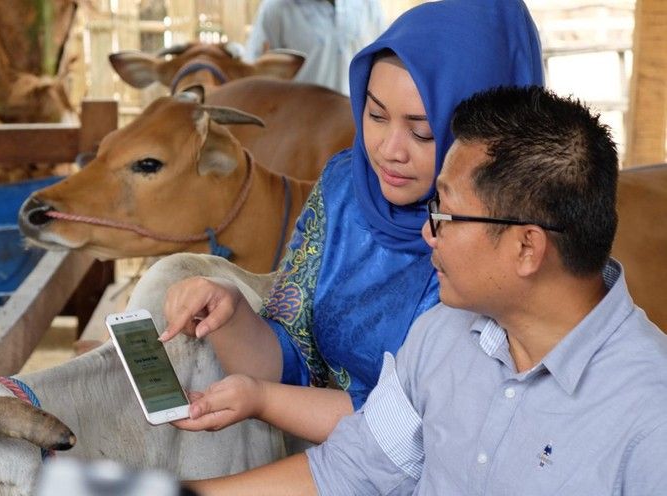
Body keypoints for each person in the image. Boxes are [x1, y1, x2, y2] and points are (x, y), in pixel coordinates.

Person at [184, 85, 667, 495]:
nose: (428, 233)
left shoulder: (650, 412)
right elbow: (350, 469)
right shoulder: (443, 335)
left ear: (527, 248)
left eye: (446, 214)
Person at [160, 0, 544, 445]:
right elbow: (290, 358)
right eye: (376, 115)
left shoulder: (506, 237)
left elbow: (421, 428)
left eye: (422, 131)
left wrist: (263, 400)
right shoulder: (346, 186)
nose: (388, 150)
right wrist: (228, 311)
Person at [243, 0, 386, 95]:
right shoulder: (277, 7)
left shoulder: (367, 4)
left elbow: (382, 60)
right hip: (301, 125)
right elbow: (253, 78)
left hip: (356, 123)